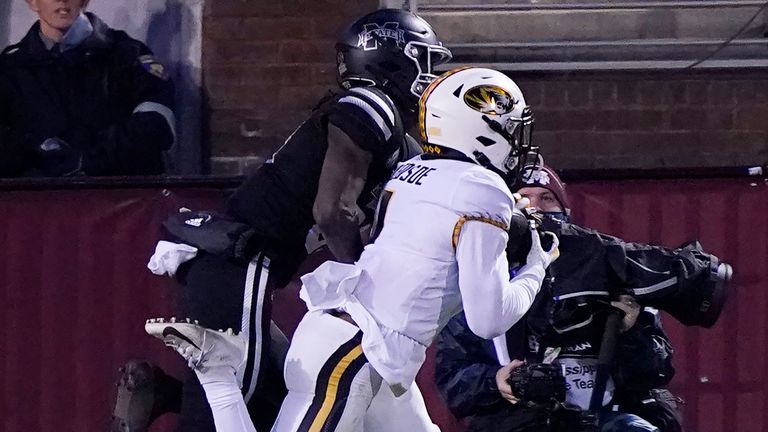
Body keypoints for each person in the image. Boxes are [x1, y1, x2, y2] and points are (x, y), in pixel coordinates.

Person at [144, 66, 560, 432]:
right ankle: (219, 376)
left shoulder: (414, 170)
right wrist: (536, 266)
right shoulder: (483, 191)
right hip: (356, 353)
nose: (520, 142)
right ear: (485, 129)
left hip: (367, 346)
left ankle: (218, 374)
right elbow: (488, 319)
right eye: (513, 128)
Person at [112, 8, 453, 432]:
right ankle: (166, 396)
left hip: (235, 265)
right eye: (424, 59)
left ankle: (161, 392)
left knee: (275, 395)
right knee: (223, 413)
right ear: (389, 57)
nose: (432, 74)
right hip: (240, 261)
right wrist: (367, 286)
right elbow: (331, 213)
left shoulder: (394, 134)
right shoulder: (371, 106)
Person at [434, 164, 687, 432]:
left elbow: (657, 372)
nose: (537, 208)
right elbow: (452, 377)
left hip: (606, 419)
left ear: (566, 213)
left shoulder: (611, 273)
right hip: (518, 422)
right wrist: (498, 380)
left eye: (547, 198)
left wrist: (628, 332)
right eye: (524, 198)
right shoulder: (482, 282)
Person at [0, 0, 175, 177]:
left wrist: (87, 159)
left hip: (117, 195)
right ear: (32, 2)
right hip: (37, 200)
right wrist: (38, 153)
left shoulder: (127, 55)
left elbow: (157, 124)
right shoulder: (9, 69)